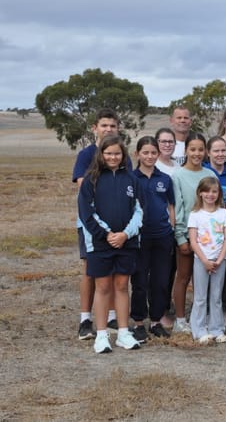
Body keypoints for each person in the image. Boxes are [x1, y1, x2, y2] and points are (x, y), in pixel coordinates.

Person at [77, 135, 143, 353]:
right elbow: (87, 213)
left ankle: (124, 333)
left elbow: (139, 211)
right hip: (101, 244)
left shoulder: (131, 179)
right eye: (108, 153)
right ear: (101, 155)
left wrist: (125, 234)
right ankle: (102, 335)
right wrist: (106, 235)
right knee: (103, 287)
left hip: (127, 243)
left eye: (117, 153)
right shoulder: (90, 180)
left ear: (123, 155)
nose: (113, 157)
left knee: (122, 286)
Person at [73, 109, 125, 340]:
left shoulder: (122, 155)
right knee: (90, 272)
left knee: (117, 273)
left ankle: (113, 316)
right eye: (104, 125)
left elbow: (127, 190)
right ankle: (86, 320)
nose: (108, 130)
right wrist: (102, 228)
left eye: (112, 126)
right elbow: (85, 191)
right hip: (91, 226)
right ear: (95, 128)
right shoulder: (86, 155)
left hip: (119, 227)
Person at [130, 136, 175, 341]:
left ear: (158, 154)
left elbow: (171, 205)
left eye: (153, 153)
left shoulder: (164, 178)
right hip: (139, 238)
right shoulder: (130, 178)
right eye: (145, 152)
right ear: (137, 154)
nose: (149, 156)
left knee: (160, 280)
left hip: (162, 236)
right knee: (139, 280)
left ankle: (156, 321)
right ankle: (139, 322)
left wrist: (172, 228)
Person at [171, 132, 216, 333]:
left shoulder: (210, 175)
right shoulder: (177, 175)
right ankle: (180, 320)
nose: (197, 153)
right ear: (186, 150)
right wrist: (181, 237)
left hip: (210, 239)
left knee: (203, 279)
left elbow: (217, 207)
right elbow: (178, 208)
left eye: (200, 149)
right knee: (183, 275)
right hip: (188, 236)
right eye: (193, 149)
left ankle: (201, 318)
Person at [187, 176, 226, 343]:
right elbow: (193, 241)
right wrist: (205, 261)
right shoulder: (195, 215)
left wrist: (220, 259)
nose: (210, 195)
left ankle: (216, 329)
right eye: (206, 191)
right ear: (200, 193)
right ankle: (199, 330)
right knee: (200, 296)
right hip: (201, 260)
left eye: (214, 191)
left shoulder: (224, 213)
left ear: (219, 194)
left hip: (219, 260)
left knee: (216, 296)